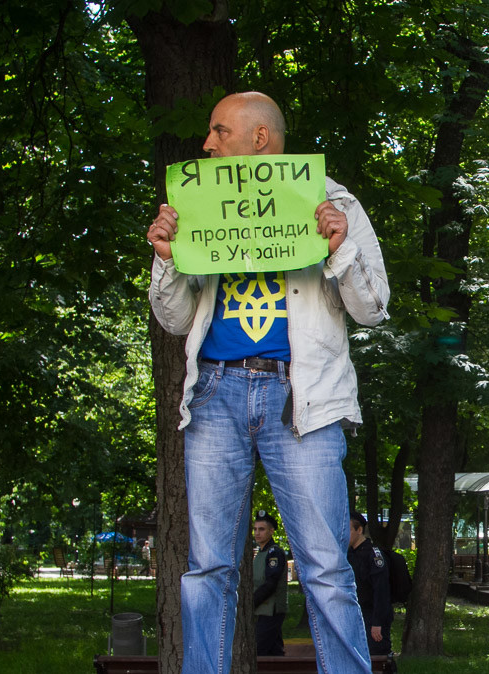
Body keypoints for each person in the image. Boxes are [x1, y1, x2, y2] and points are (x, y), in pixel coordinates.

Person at [148, 91, 388, 673]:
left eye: (219, 131)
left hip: (302, 402)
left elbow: (373, 307)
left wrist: (341, 247)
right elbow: (175, 319)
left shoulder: (334, 202)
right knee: (208, 568)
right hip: (214, 395)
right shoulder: (196, 205)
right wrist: (166, 257)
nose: (206, 143)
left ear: (259, 138)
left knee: (326, 567)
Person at [347, 513, 393, 664]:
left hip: (372, 614)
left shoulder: (373, 554)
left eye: (348, 530)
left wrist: (377, 622)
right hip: (356, 613)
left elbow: (381, 590)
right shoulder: (349, 554)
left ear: (359, 530)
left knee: (377, 658)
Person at [253, 511, 288, 656]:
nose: (257, 533)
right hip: (262, 610)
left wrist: (251, 602)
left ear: (271, 531)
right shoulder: (261, 553)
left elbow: (271, 583)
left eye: (261, 529)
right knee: (273, 652)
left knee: (258, 649)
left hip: (271, 609)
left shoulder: (274, 553)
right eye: (255, 529)